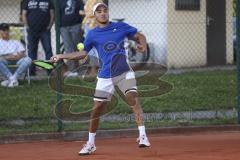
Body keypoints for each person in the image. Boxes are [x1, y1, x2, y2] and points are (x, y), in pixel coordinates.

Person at [51, 3, 150, 155]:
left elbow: (139, 36)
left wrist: (142, 44)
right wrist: (61, 56)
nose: (103, 13)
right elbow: (83, 53)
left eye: (105, 10)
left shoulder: (121, 26)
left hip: (124, 72)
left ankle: (142, 135)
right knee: (96, 109)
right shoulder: (92, 34)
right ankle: (90, 143)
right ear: (94, 15)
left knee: (133, 98)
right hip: (105, 75)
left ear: (108, 13)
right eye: (99, 11)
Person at [22, 0, 54, 76]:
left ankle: (49, 71)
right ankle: (32, 72)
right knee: (32, 51)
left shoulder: (48, 1)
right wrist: (27, 26)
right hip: (32, 31)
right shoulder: (27, 1)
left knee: (48, 50)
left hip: (44, 31)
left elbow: (52, 14)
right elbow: (23, 14)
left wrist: (49, 26)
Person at [0, 23, 32, 87]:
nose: (6, 32)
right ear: (0, 31)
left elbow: (22, 54)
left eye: (7, 30)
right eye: (3, 30)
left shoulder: (15, 41)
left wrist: (14, 56)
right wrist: (8, 57)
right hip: (4, 61)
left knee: (28, 59)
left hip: (17, 60)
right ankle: (13, 79)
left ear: (9, 31)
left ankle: (12, 79)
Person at [60, 0, 85, 76]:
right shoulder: (58, 1)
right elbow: (57, 13)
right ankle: (72, 70)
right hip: (63, 27)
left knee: (77, 47)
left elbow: (82, 12)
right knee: (68, 48)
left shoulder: (78, 1)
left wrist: (81, 25)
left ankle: (80, 69)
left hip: (76, 25)